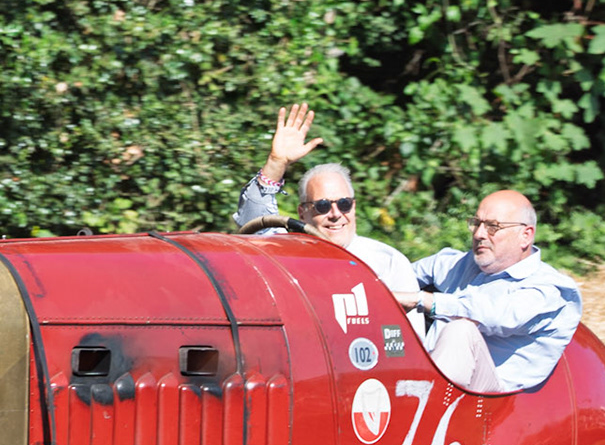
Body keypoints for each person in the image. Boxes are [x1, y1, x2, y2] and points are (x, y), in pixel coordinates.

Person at [233, 105, 423, 329]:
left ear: (354, 207)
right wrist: (276, 163)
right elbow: (253, 220)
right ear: (302, 212)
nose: (335, 214)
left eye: (344, 204)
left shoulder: (388, 262)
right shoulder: (286, 252)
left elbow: (412, 338)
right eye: (322, 206)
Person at [393, 190, 581, 394]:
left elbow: (494, 315)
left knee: (461, 330)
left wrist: (421, 299)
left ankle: (423, 404)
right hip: (427, 375)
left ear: (525, 236)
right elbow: (398, 274)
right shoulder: (463, 263)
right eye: (476, 223)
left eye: (493, 226)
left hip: (493, 399)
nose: (479, 234)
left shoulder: (551, 289)